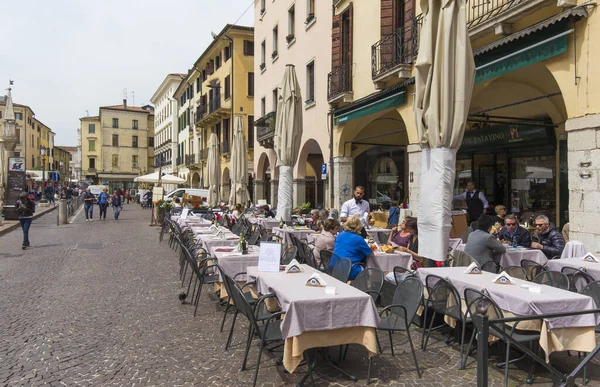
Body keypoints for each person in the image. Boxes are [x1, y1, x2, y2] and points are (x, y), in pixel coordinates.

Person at [330, 215, 372, 280]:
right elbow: (370, 253)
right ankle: (364, 289)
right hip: (349, 269)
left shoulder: (339, 235)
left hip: (334, 267)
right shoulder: (359, 239)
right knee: (369, 270)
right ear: (359, 226)